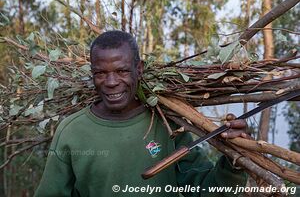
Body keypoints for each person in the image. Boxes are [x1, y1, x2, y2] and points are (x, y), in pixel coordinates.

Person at [34, 30, 250, 197]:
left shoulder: (167, 123)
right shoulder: (72, 131)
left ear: (139, 69)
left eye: (122, 71)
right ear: (92, 74)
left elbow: (205, 189)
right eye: (100, 73)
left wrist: (234, 161)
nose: (111, 82)